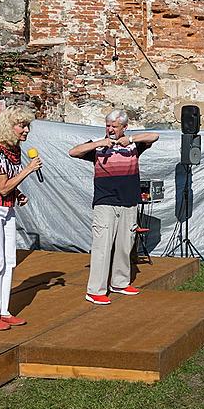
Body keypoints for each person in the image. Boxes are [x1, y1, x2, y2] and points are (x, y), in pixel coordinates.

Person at [68, 109, 159, 305]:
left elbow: (155, 136)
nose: (110, 129)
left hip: (129, 201)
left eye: (114, 126)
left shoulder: (133, 146)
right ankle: (95, 291)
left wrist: (131, 139)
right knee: (102, 246)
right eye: (108, 125)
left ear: (124, 128)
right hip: (105, 202)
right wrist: (99, 143)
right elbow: (73, 152)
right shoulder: (98, 147)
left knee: (125, 245)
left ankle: (119, 283)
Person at [0, 104, 42, 331]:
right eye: (22, 125)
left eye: (27, 126)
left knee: (8, 261)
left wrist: (19, 194)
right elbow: (1, 188)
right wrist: (28, 170)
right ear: (9, 126)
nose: (26, 131)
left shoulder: (14, 151)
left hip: (6, 208)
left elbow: (5, 186)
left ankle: (3, 310)